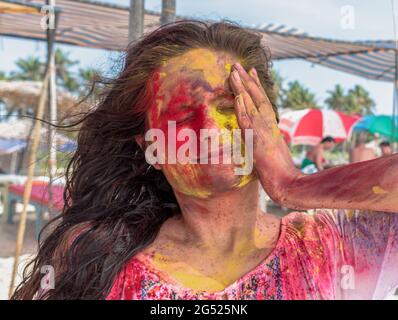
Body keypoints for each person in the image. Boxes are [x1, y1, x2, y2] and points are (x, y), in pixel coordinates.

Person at [12, 21, 398, 300]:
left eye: (230, 105)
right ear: (151, 148)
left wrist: (294, 185)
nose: (209, 127)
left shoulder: (337, 245)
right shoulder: (95, 255)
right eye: (182, 116)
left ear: (267, 120)